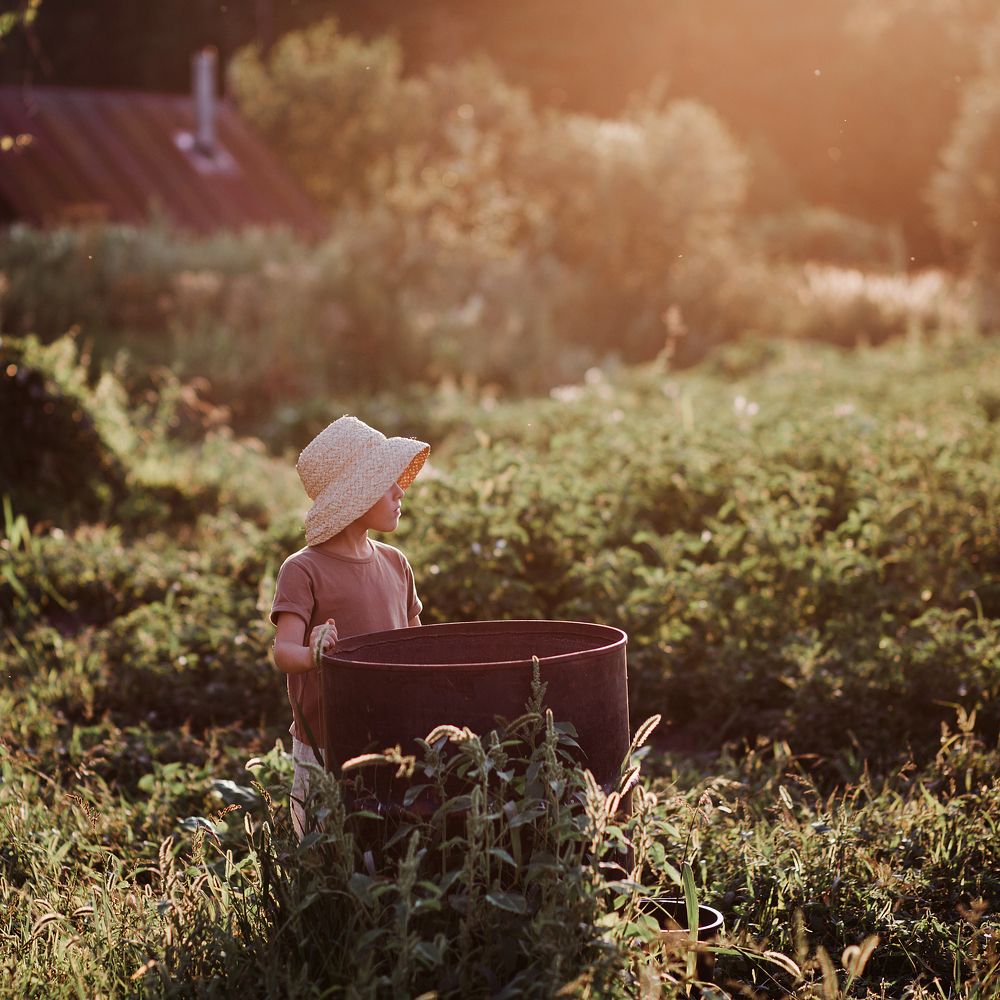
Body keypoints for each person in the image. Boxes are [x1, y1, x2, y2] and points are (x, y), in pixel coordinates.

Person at [269, 414, 429, 837]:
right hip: (325, 738)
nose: (400, 492)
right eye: (386, 483)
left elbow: (418, 646)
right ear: (355, 496)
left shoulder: (396, 563)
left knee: (386, 837)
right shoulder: (302, 570)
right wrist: (315, 655)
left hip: (392, 730)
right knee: (323, 842)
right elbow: (284, 653)